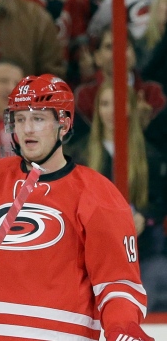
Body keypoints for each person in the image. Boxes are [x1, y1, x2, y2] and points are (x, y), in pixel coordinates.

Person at [0, 74, 154, 340]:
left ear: (64, 124)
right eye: (20, 119)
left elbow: (117, 283)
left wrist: (122, 327)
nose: (27, 129)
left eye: (38, 119)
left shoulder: (97, 194)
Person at [66, 81, 167, 312]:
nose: (111, 111)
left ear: (132, 107)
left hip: (143, 251)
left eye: (119, 104)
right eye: (104, 104)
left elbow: (160, 200)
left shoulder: (151, 155)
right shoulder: (78, 154)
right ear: (97, 110)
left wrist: (144, 215)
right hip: (90, 255)